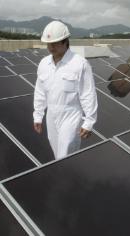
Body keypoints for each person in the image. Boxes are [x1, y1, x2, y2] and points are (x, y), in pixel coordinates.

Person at [33, 20, 98, 159]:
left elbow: (88, 94)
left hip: (71, 115)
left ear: (65, 41)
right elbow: (40, 92)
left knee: (66, 154)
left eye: (55, 43)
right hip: (51, 115)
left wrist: (89, 121)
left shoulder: (80, 64)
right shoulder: (44, 63)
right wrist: (38, 115)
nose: (51, 47)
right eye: (49, 44)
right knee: (57, 154)